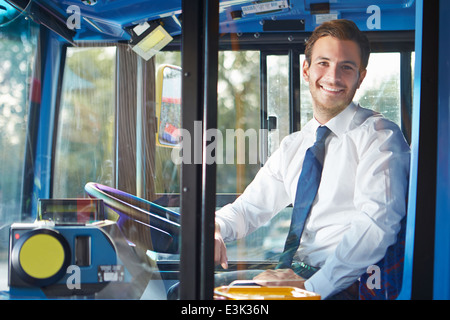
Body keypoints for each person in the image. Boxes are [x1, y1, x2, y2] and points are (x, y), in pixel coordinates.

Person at [214, 19, 410, 300]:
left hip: (344, 283)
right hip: (298, 271)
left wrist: (309, 289)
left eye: (346, 67)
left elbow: (376, 224)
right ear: (306, 70)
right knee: (185, 291)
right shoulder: (295, 145)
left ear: (361, 77)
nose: (333, 77)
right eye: (323, 63)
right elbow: (248, 209)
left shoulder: (378, 137)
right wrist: (217, 227)